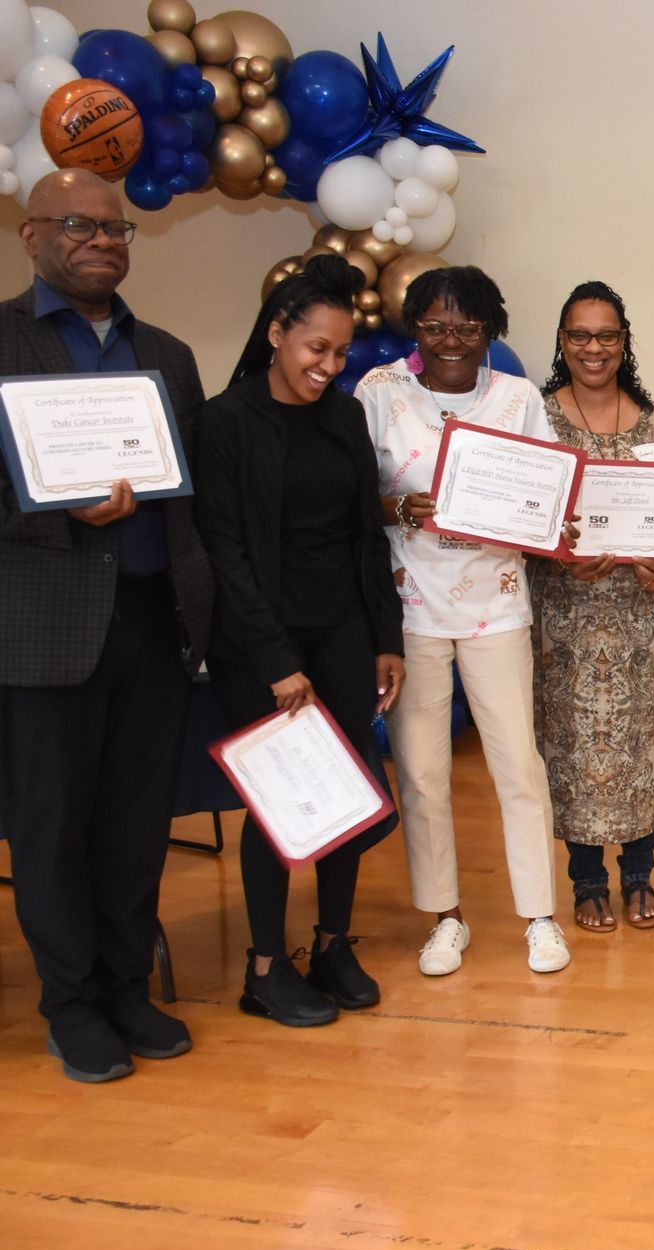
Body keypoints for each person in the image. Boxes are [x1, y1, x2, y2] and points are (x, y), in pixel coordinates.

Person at [0, 169, 213, 1082]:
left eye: (117, 228)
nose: (101, 241)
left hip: (152, 620)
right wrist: (54, 510)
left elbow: (193, 493)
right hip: (44, 627)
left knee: (134, 820)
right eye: (79, 225)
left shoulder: (164, 353)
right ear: (31, 234)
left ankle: (130, 987)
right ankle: (72, 1003)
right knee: (51, 826)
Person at [195, 255, 406, 1024]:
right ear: (277, 334)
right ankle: (263, 966)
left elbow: (363, 538)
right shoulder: (225, 422)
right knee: (280, 804)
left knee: (345, 795)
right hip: (262, 642)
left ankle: (332, 943)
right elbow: (226, 553)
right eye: (316, 347)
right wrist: (277, 661)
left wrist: (385, 635)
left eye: (340, 352)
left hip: (343, 628)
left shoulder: (344, 416)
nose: (329, 365)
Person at [357, 266, 571, 975]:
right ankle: (445, 917)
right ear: (413, 328)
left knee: (518, 762)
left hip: (496, 601)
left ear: (490, 332)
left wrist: (556, 521)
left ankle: (540, 916)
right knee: (420, 771)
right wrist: (399, 509)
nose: (451, 340)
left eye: (468, 327)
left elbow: (547, 492)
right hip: (412, 605)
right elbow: (353, 495)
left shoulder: (516, 399)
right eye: (434, 326)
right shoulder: (380, 393)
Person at [530, 282, 654, 932]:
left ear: (624, 342)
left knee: (638, 744)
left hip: (639, 616)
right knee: (570, 748)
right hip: (563, 616)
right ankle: (586, 880)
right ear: (563, 342)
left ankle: (640, 874)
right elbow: (520, 517)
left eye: (607, 335)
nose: (594, 347)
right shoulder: (534, 417)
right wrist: (556, 552)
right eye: (580, 335)